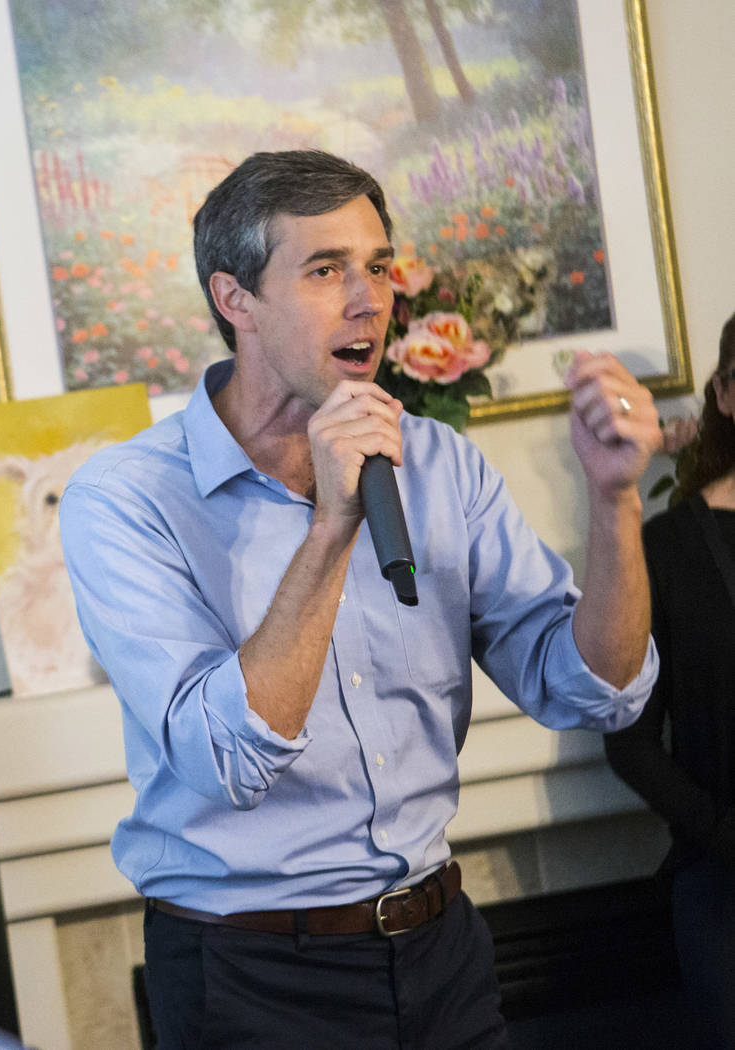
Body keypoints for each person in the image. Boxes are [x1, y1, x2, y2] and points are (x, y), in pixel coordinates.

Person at [60, 150, 661, 1049]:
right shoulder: (125, 499)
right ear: (236, 301)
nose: (369, 299)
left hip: (441, 950)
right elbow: (224, 758)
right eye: (324, 269)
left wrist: (613, 500)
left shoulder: (438, 461)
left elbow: (593, 691)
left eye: (377, 265)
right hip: (250, 977)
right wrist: (332, 525)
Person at [604, 313, 735, 1049]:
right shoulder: (667, 546)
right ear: (723, 393)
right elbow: (627, 742)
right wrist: (721, 832)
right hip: (722, 881)